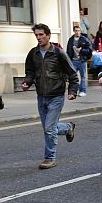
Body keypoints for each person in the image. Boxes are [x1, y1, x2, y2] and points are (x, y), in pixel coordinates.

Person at [21, 23, 78, 169]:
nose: (38, 38)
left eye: (41, 35)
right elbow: (30, 72)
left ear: (48, 36)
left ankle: (50, 158)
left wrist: (72, 91)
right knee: (49, 127)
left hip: (56, 95)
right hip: (41, 96)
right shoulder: (33, 53)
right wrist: (27, 82)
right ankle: (67, 127)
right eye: (36, 35)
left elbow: (72, 73)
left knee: (49, 128)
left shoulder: (58, 53)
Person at [66, 25, 92, 97]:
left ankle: (82, 91)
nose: (77, 32)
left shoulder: (84, 39)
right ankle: (73, 91)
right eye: (76, 30)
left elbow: (89, 50)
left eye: (79, 30)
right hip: (73, 60)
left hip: (82, 60)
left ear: (80, 31)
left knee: (83, 76)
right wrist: (68, 59)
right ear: (74, 31)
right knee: (73, 76)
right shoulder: (71, 39)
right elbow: (68, 50)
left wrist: (81, 50)